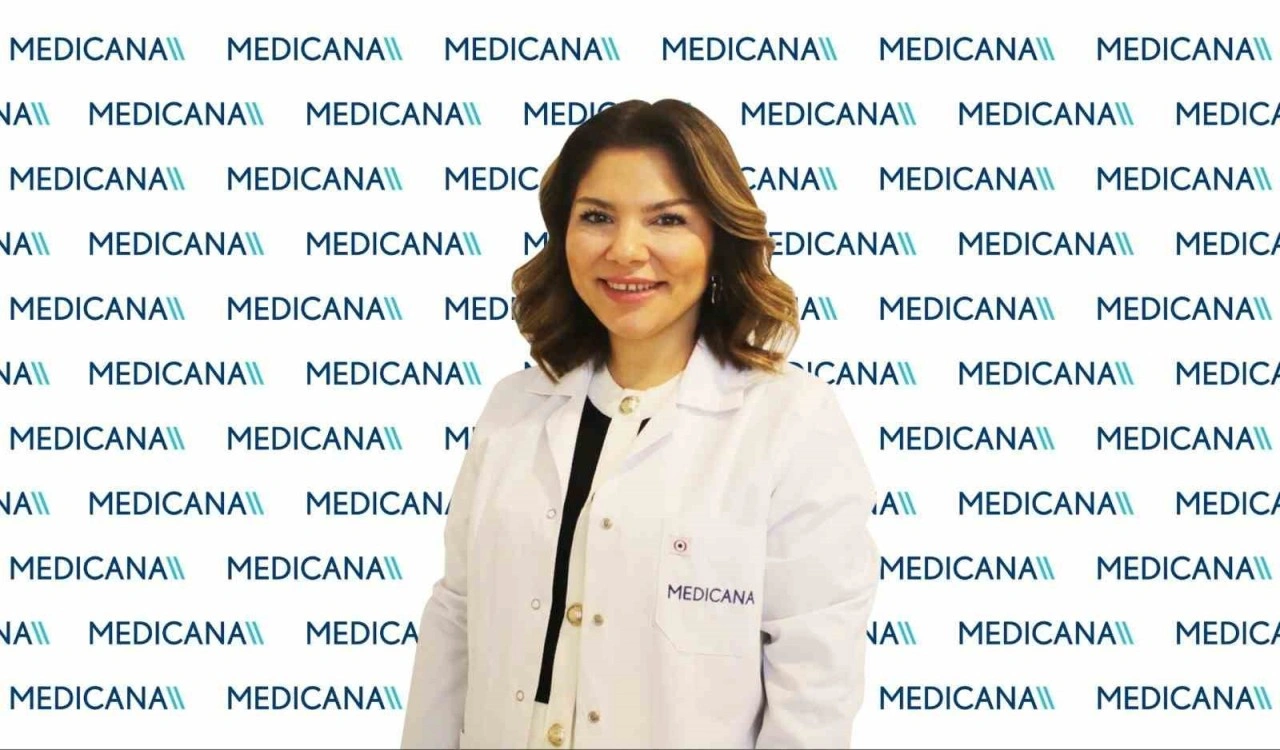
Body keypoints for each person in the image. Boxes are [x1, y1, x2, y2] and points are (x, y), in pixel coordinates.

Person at [400, 99, 879, 749]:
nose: (626, 250)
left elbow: (814, 683)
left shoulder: (789, 422)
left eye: (667, 219)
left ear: (717, 238)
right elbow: (456, 620)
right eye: (597, 217)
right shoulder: (514, 408)